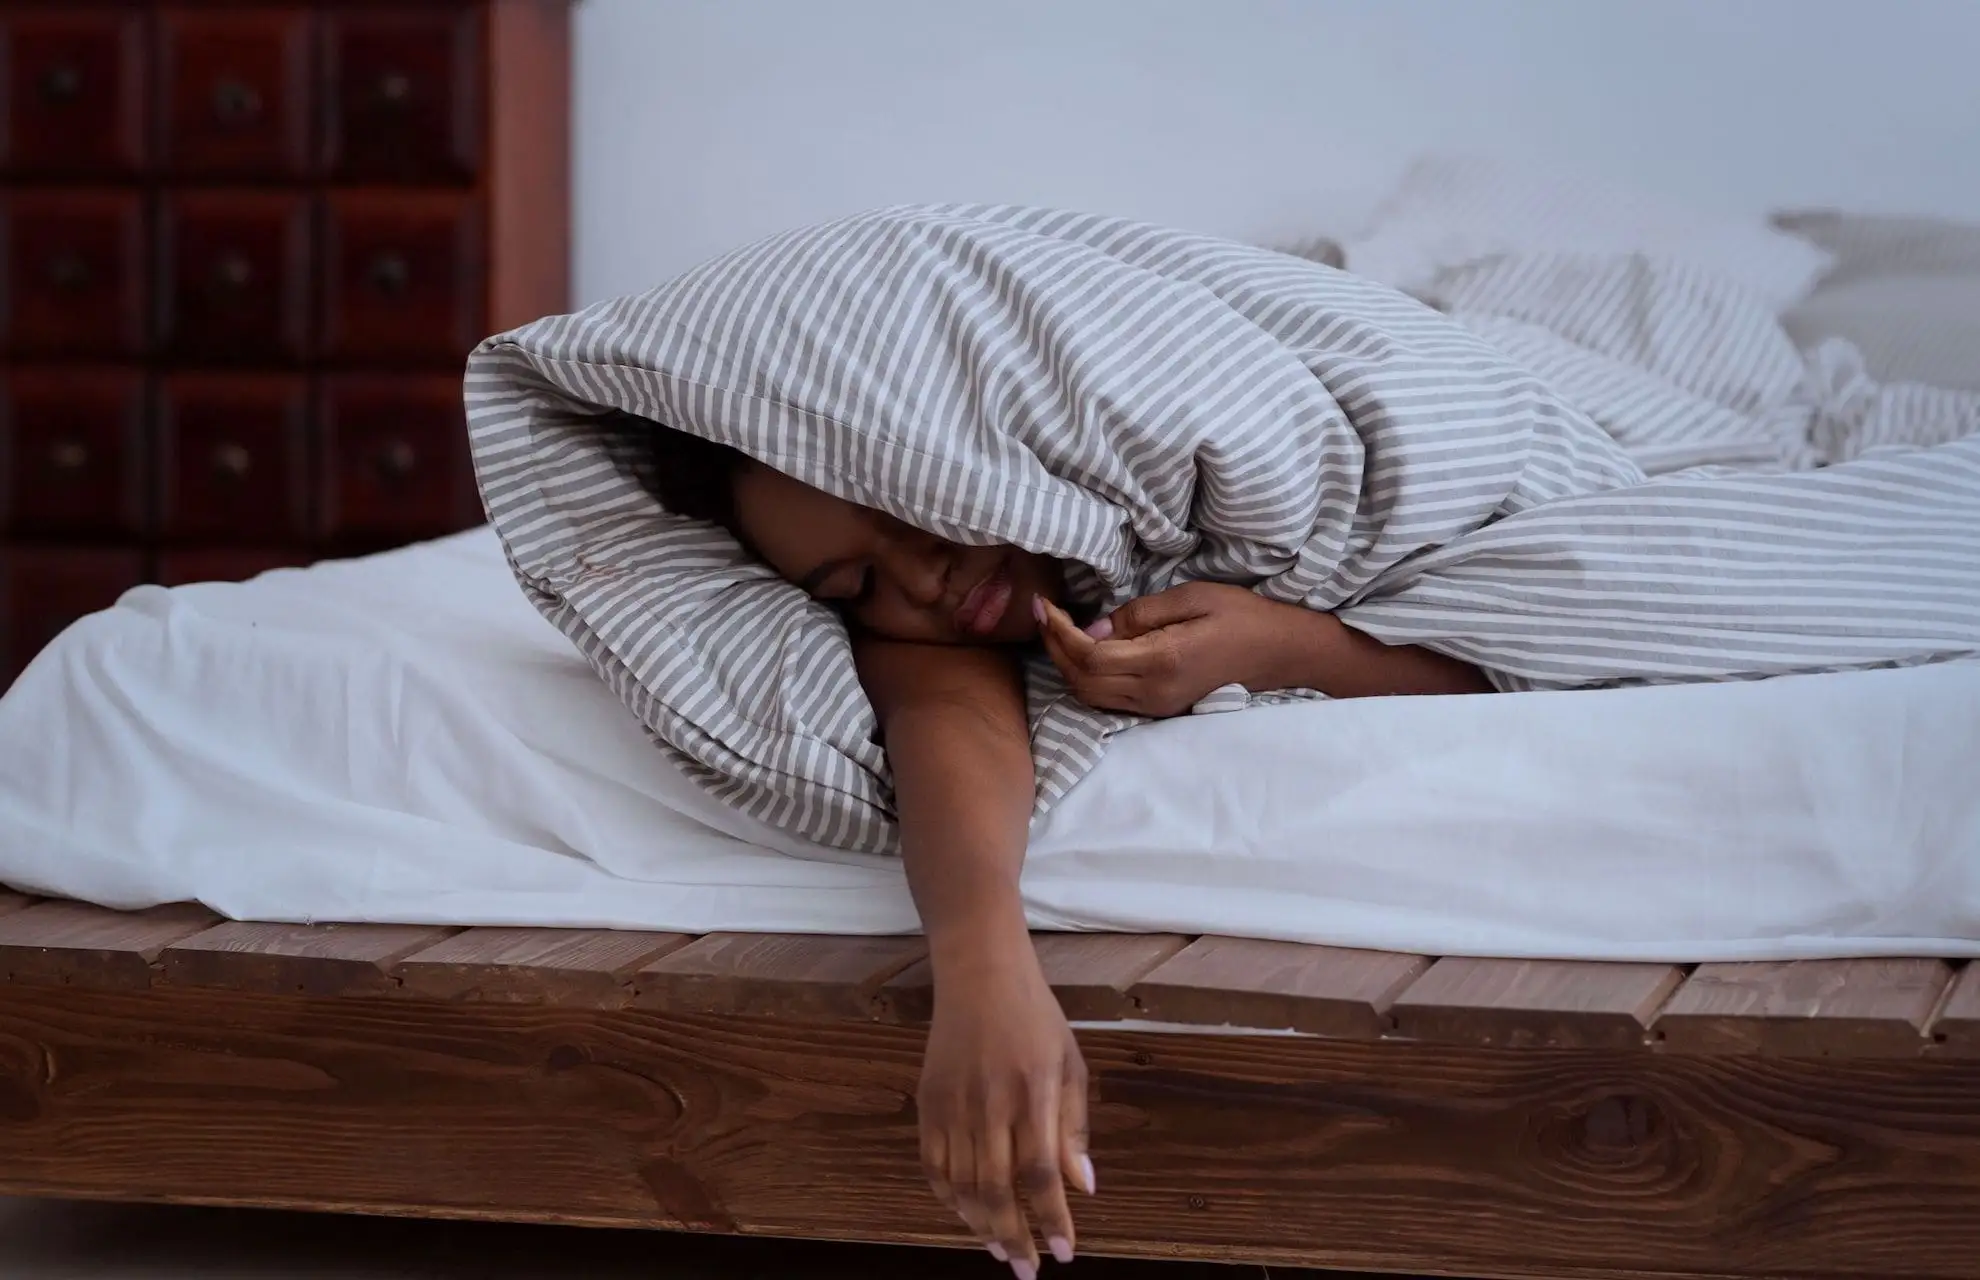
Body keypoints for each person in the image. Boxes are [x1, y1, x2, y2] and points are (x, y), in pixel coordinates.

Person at [608, 412, 1489, 1277]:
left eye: (908, 504)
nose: (921, 581)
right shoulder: (922, 627)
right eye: (856, 586)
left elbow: (1561, 636)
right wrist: (983, 973)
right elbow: (946, 713)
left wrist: (1293, 646)